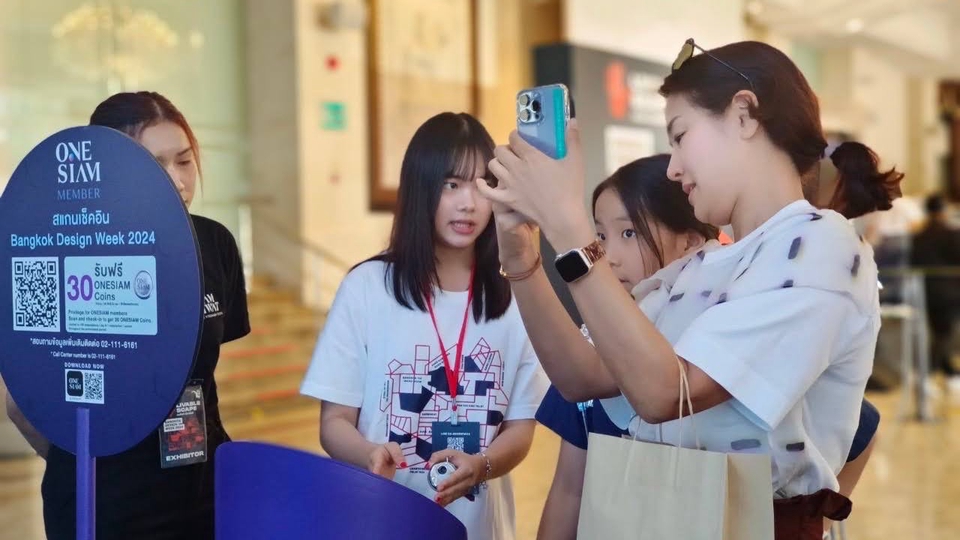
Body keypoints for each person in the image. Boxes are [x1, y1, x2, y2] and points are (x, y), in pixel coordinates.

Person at [479, 40, 901, 539]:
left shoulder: (818, 245)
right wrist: (520, 256)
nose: (673, 167)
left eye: (680, 136)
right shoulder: (703, 265)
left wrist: (570, 228)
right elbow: (584, 377)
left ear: (744, 114)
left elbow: (665, 394)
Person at [534, 155, 883, 539]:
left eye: (629, 233)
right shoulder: (595, 345)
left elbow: (864, 426)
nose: (608, 257)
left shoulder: (724, 343)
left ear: (692, 244)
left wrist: (809, 517)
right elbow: (568, 489)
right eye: (600, 236)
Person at [4, 91, 250, 539]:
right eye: (153, 166)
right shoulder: (61, 250)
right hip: (102, 503)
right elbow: (21, 404)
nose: (177, 181)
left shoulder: (214, 244)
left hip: (202, 493)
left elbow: (203, 379)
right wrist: (78, 459)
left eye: (184, 161)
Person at [300, 112, 548, 540]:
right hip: (380, 522)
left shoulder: (516, 297)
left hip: (477, 529)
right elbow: (335, 421)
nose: (469, 203)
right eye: (451, 185)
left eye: (481, 185)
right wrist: (369, 454)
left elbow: (521, 429)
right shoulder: (367, 288)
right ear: (420, 188)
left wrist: (482, 465)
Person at [910, 193, 960, 390]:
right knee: (945, 334)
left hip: (926, 291)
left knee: (939, 332)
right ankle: (928, 372)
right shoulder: (951, 234)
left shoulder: (918, 236)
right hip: (951, 293)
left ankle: (947, 372)